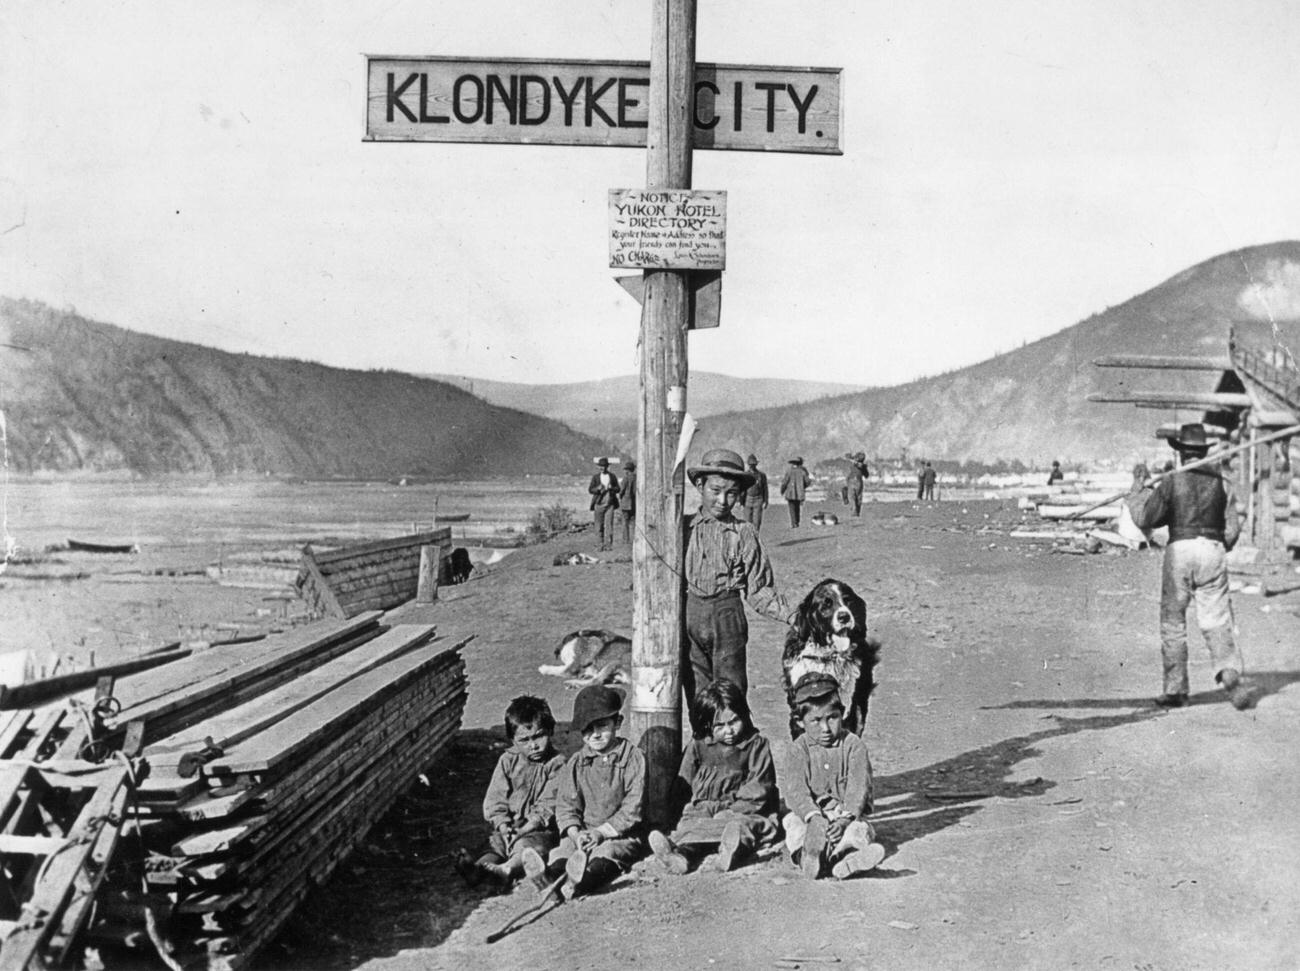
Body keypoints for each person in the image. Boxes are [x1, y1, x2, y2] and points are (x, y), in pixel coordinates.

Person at [1126, 423, 1253, 710]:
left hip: (1180, 551)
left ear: (1182, 453)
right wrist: (1220, 546)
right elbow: (1232, 528)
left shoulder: (1172, 481)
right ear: (1203, 451)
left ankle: (1176, 690)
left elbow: (1147, 518)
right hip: (1213, 549)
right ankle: (1230, 675)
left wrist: (1137, 490)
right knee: (1216, 619)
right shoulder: (1222, 481)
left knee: (1173, 621)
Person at [683, 448, 791, 731]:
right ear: (700, 486)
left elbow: (759, 589)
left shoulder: (744, 533)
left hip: (727, 617)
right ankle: (704, 759)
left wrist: (794, 615)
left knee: (731, 694)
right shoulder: (682, 530)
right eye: (715, 490)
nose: (723, 500)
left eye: (731, 493)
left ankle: (740, 761)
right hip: (689, 617)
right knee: (697, 696)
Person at [647, 679, 780, 875]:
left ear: (744, 715)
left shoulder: (756, 745)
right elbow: (684, 782)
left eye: (734, 721)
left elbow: (759, 788)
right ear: (708, 724)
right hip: (705, 807)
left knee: (741, 827)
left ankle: (730, 851)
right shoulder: (699, 745)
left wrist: (732, 811)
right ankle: (681, 856)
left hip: (744, 810)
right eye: (720, 725)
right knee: (691, 822)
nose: (729, 731)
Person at [538, 685, 645, 899]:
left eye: (602, 726)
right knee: (563, 851)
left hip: (619, 833)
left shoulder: (632, 758)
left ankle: (580, 884)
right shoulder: (577, 762)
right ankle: (550, 879)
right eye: (587, 729)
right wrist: (576, 833)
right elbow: (567, 806)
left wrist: (601, 833)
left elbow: (633, 807)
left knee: (609, 853)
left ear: (618, 723)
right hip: (584, 833)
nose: (595, 735)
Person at [781, 672, 886, 880]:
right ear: (800, 722)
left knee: (859, 830)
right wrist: (813, 817)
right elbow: (796, 791)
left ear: (842, 713)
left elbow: (858, 788)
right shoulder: (798, 750)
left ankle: (846, 858)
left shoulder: (854, 746)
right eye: (815, 721)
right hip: (812, 817)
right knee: (793, 824)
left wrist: (844, 820)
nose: (825, 728)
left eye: (832, 718)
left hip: (843, 814)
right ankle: (807, 857)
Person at [454, 696, 564, 889]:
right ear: (513, 740)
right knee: (495, 844)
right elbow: (495, 798)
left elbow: (549, 804)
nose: (533, 745)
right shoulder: (507, 760)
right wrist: (503, 825)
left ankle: (506, 870)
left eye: (539, 736)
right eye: (524, 740)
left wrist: (525, 829)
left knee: (529, 847)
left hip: (539, 829)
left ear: (550, 731)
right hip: (510, 826)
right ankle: (478, 870)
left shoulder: (558, 763)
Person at [587, 458, 620, 552]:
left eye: (604, 466)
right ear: (598, 467)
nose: (602, 468)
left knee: (609, 525)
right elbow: (590, 490)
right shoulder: (596, 477)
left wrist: (612, 488)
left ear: (607, 466)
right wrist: (597, 489)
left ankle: (608, 545)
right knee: (598, 526)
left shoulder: (612, 476)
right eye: (601, 466)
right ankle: (599, 545)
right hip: (598, 504)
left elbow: (618, 489)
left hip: (610, 504)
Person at [779, 457, 812, 528]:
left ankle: (794, 523)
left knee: (792, 508)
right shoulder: (803, 472)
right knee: (797, 508)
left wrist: (782, 490)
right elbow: (808, 482)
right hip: (799, 493)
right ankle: (797, 522)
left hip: (790, 493)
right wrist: (803, 487)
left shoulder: (789, 471)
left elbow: (785, 482)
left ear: (793, 463)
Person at [741, 453, 769, 532]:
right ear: (748, 464)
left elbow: (765, 488)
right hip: (747, 499)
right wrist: (740, 502)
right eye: (750, 464)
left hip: (758, 499)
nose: (752, 466)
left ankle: (756, 538)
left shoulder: (761, 475)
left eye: (753, 464)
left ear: (756, 464)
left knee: (757, 521)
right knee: (747, 521)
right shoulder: (745, 475)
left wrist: (766, 501)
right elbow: (742, 489)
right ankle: (749, 539)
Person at [844, 452, 869, 517]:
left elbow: (848, 458)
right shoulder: (862, 466)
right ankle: (857, 513)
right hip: (859, 482)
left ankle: (854, 513)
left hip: (852, 481)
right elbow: (866, 476)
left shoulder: (854, 463)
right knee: (858, 498)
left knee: (852, 497)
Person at [619, 460, 637, 545]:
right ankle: (635, 539)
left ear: (627, 470)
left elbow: (621, 490)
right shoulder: (636, 477)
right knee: (633, 523)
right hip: (634, 503)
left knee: (625, 523)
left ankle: (625, 540)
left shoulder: (625, 478)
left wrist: (620, 496)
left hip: (626, 504)